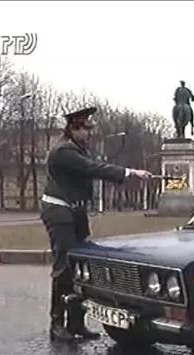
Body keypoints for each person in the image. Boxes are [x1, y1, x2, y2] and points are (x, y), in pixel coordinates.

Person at [41, 107, 152, 342]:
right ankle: (57, 323)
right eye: (86, 128)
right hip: (59, 211)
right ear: (73, 127)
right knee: (64, 268)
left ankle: (77, 323)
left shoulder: (77, 147)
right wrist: (129, 172)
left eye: (90, 128)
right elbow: (93, 169)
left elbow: (92, 167)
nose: (90, 133)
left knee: (80, 267)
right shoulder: (63, 151)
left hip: (75, 211)